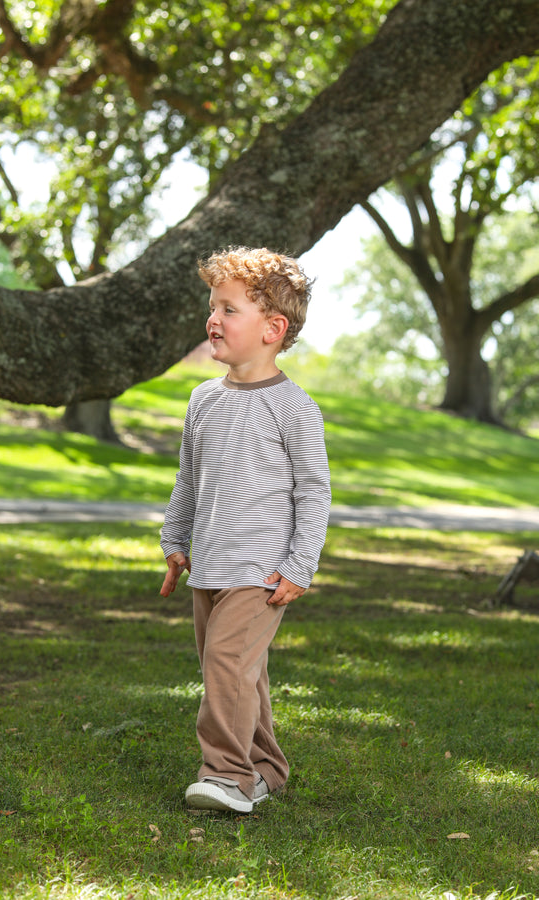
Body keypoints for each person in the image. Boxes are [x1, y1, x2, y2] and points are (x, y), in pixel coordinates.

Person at [159, 246, 331, 813]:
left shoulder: (293, 407)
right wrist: (176, 541)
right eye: (213, 306)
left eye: (229, 309)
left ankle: (228, 776)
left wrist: (300, 567)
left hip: (260, 573)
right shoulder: (203, 399)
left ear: (272, 329)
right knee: (237, 671)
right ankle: (266, 767)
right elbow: (189, 476)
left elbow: (314, 491)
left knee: (226, 666)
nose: (213, 318)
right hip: (208, 564)